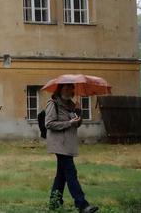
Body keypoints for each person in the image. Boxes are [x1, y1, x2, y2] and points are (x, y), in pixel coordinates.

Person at [45, 84, 99, 213]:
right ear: (60, 90)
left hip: (69, 143)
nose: (70, 91)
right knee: (71, 173)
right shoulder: (53, 104)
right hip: (59, 144)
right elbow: (49, 123)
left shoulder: (71, 105)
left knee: (61, 176)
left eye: (71, 88)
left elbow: (77, 124)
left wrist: (78, 112)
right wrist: (69, 123)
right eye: (67, 88)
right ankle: (82, 205)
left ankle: (54, 203)